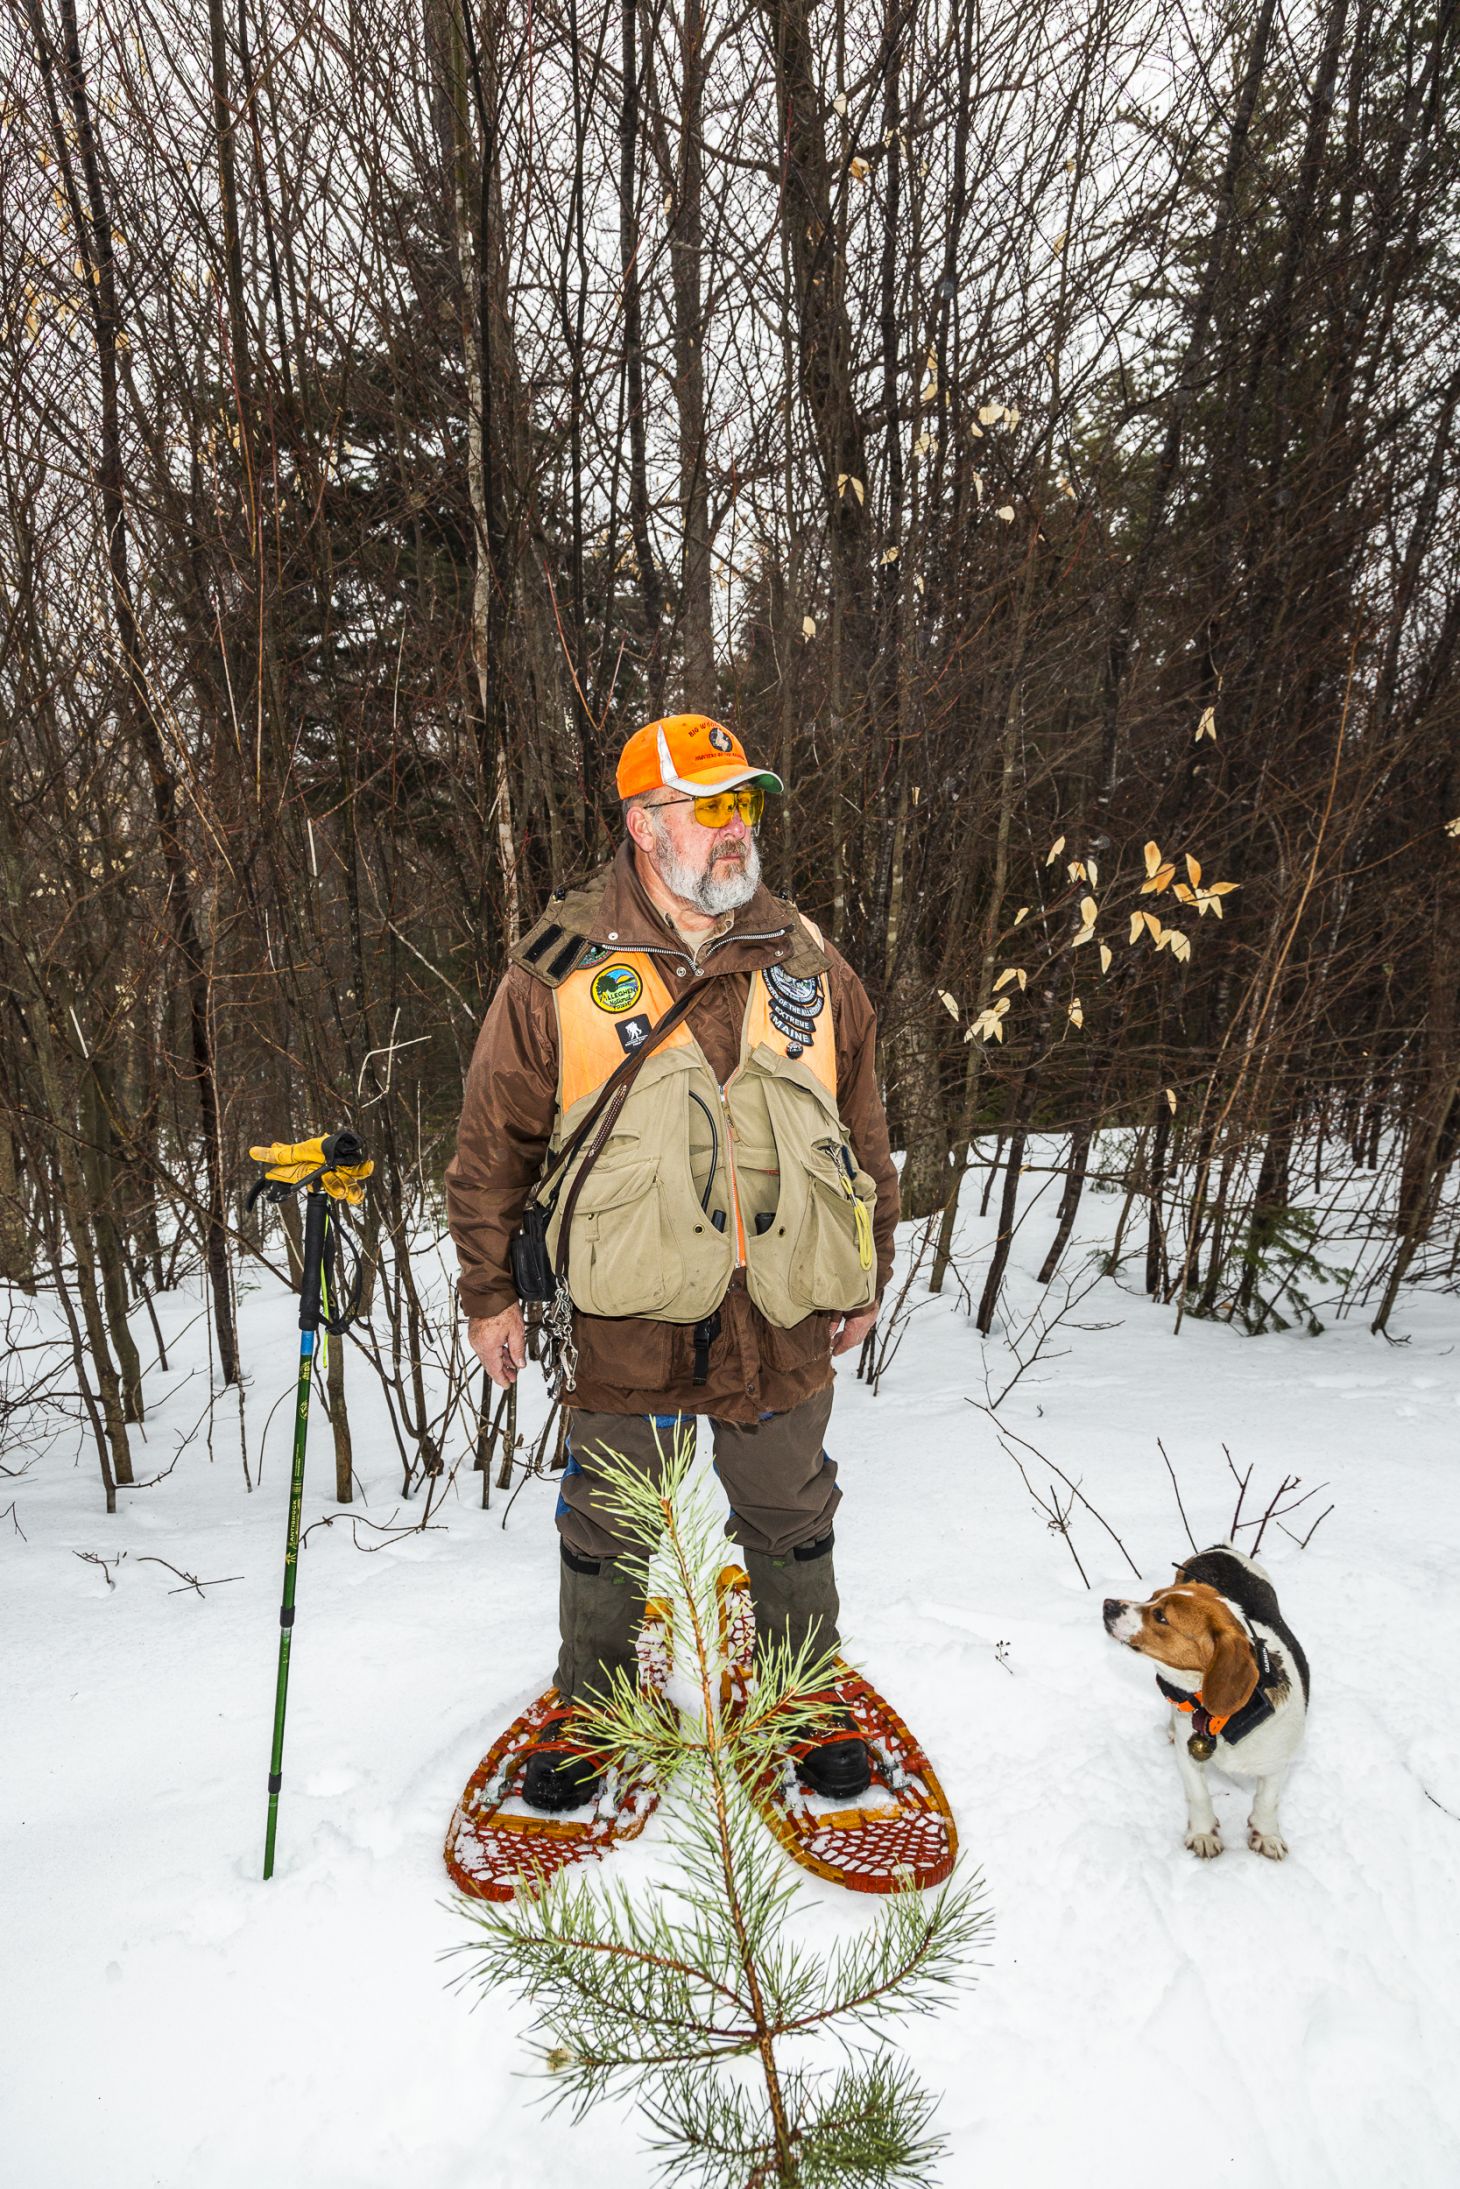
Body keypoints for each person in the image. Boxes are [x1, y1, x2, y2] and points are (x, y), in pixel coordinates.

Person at [445, 713, 899, 1810]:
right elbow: (491, 1140)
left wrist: (864, 1268)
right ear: (645, 826)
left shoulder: (807, 956)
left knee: (789, 1508)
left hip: (781, 1299)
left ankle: (799, 1693)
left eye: (745, 803)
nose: (738, 828)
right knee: (610, 1514)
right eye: (712, 806)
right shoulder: (557, 968)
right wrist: (488, 1289)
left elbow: (861, 1124)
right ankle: (595, 1703)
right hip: (628, 1305)